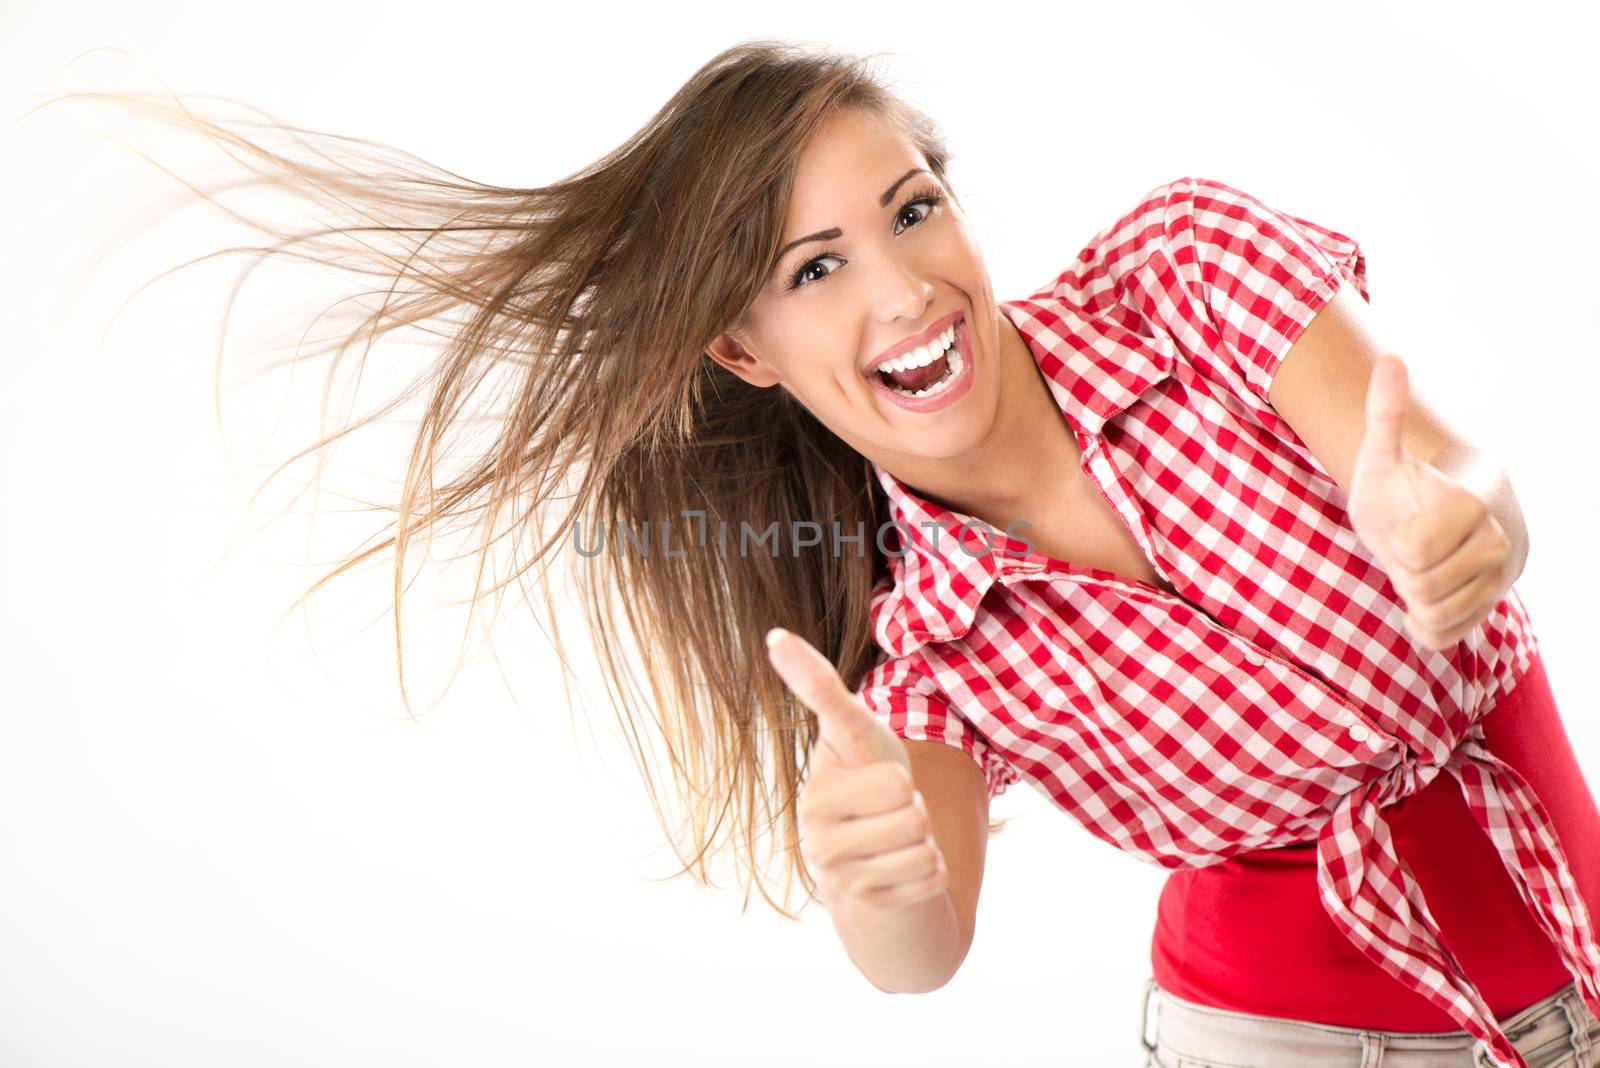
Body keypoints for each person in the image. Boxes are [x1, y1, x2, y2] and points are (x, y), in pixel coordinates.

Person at [43, 38, 1600, 1068]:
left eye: (914, 210)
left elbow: (1452, 477)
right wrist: (873, 882)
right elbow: (920, 951)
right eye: (817, 268)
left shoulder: (1184, 278)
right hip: (1275, 1042)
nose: (908, 290)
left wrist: (1466, 523)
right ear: (744, 346)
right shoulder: (921, 649)